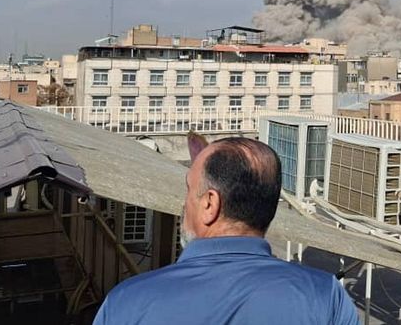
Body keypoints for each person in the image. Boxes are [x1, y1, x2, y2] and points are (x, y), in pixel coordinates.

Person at [94, 137, 360, 325]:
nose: (184, 202)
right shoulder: (326, 297)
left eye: (189, 190)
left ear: (210, 203)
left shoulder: (129, 302)